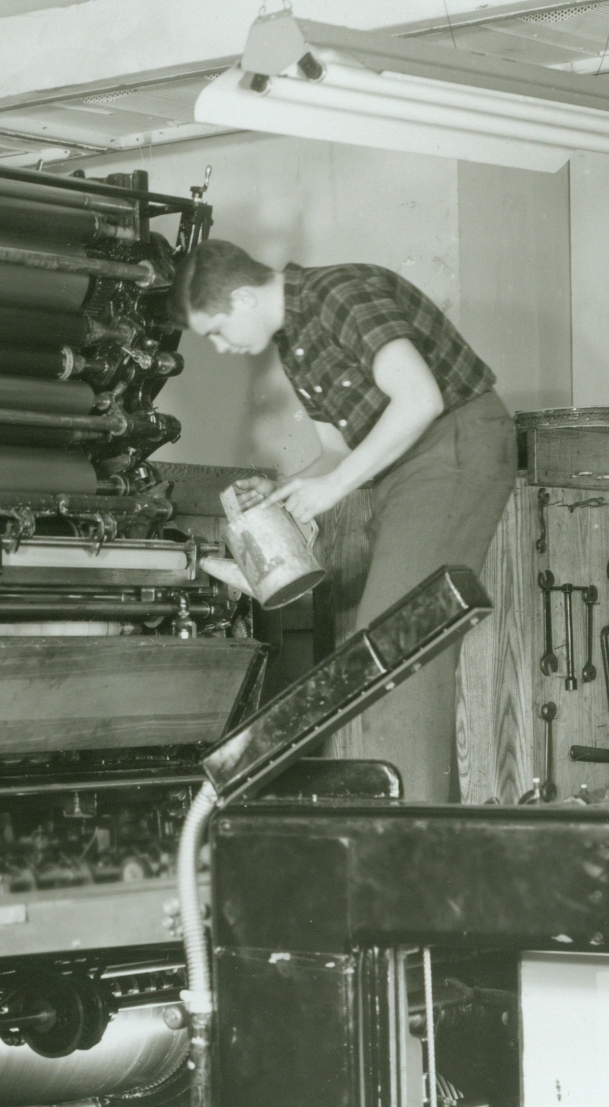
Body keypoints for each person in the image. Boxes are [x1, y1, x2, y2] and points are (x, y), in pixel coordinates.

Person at [181, 239, 512, 805]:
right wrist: (286, 491)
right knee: (389, 649)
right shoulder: (294, 341)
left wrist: (331, 489)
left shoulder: (337, 292)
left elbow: (420, 399)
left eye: (214, 330)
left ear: (241, 297)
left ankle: (409, 840)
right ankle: (407, 823)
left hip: (453, 445)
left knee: (395, 651)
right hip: (407, 468)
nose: (219, 346)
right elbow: (338, 452)